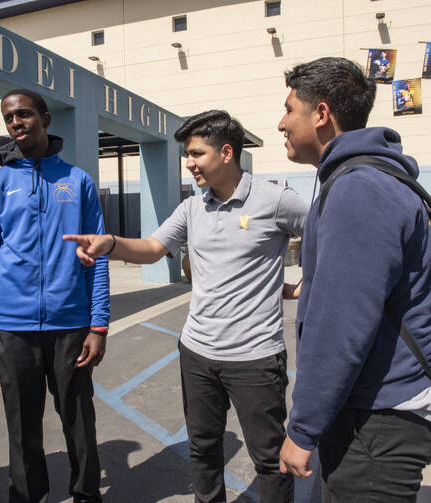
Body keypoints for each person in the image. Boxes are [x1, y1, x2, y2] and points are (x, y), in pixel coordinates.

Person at [64, 110, 308, 503]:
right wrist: (109, 242)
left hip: (255, 358)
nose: (189, 163)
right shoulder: (193, 208)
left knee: (268, 457)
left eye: (196, 153)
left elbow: (327, 234)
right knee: (203, 449)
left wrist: (302, 286)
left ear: (227, 152)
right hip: (196, 353)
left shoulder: (275, 200)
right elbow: (153, 248)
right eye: (186, 155)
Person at [277, 57, 431, 501]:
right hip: (378, 414)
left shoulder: (357, 189)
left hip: (377, 423)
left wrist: (302, 429)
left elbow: (341, 324)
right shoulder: (369, 179)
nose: (282, 123)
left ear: (322, 114)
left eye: (290, 109)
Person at [0, 89, 109, 503]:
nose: (16, 122)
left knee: (79, 420)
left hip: (71, 324)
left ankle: (86, 494)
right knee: (23, 425)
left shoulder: (77, 181)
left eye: (25, 114)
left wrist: (98, 324)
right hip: (11, 327)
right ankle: (29, 496)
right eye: (9, 117)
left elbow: (98, 258)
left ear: (45, 118)